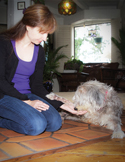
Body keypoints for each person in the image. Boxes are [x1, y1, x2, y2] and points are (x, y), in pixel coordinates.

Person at [0, 4, 87, 135]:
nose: (45, 38)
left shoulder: (39, 51)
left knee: (54, 123)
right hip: (5, 96)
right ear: (28, 26)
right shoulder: (4, 43)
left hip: (28, 95)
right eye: (42, 32)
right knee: (37, 125)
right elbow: (0, 81)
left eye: (47, 33)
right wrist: (27, 102)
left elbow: (36, 86)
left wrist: (61, 104)